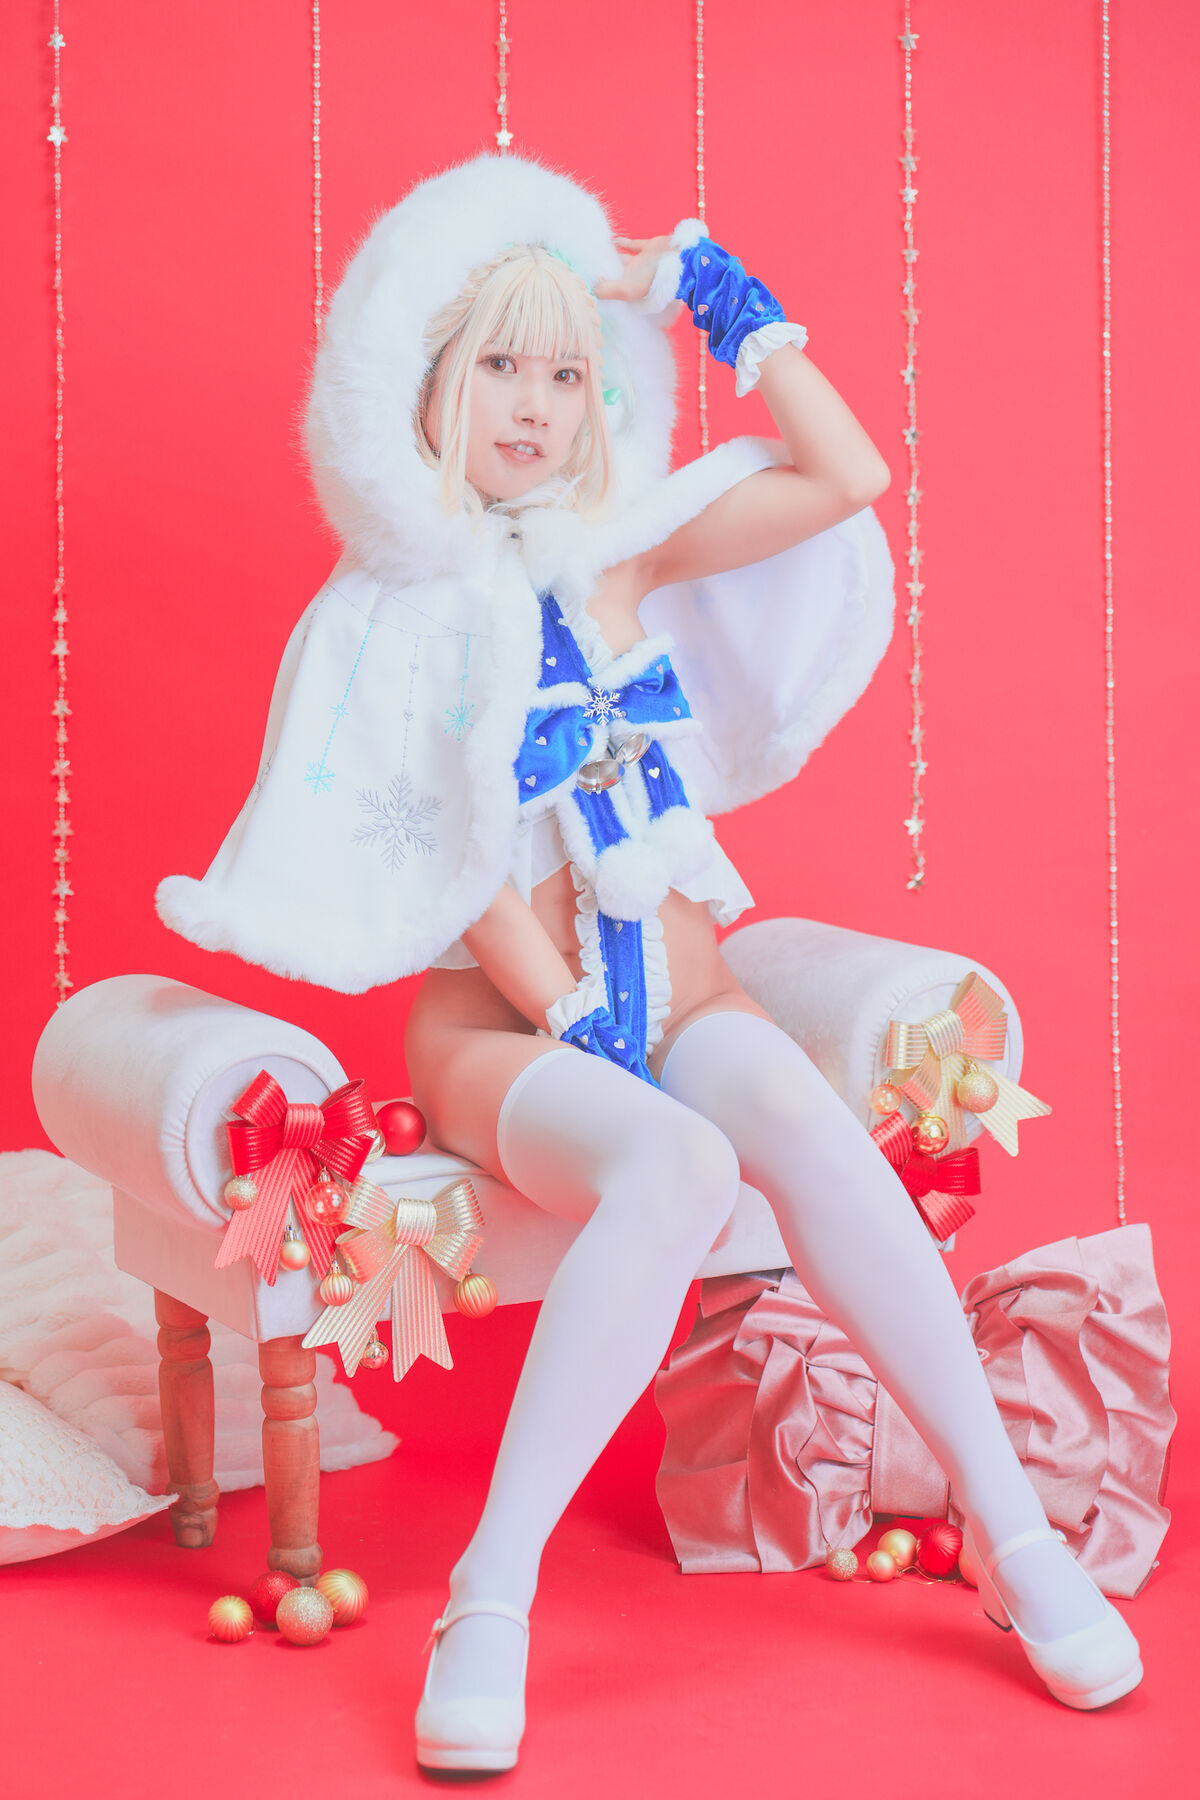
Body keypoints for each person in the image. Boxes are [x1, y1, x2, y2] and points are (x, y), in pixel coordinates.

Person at [157, 152, 1142, 1773]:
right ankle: (491, 1595)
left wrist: (700, 286)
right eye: (500, 364)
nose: (534, 405)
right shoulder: (388, 612)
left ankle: (1013, 1528)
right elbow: (459, 867)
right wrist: (566, 1008)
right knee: (679, 1166)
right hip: (508, 1032)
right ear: (430, 382)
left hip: (687, 992)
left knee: (802, 1120)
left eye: (566, 373)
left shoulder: (618, 558)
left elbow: (846, 473)